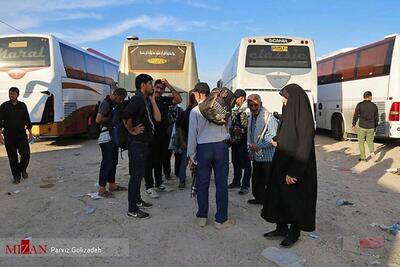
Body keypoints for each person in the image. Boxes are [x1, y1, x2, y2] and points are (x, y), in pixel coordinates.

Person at [261, 84, 317, 248]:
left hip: (295, 168)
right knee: (279, 198)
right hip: (281, 164)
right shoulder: (288, 114)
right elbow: (286, 134)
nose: (283, 101)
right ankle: (281, 228)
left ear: (294, 100)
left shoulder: (305, 119)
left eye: (285, 98)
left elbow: (304, 147)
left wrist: (294, 172)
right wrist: (277, 139)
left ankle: (294, 232)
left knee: (294, 201)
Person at [187, 82, 234, 229]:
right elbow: (228, 127)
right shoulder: (221, 108)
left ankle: (202, 216)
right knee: (221, 185)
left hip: (203, 149)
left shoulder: (195, 111)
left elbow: (192, 136)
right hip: (221, 147)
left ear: (199, 94)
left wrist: (192, 156)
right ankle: (221, 220)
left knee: (202, 184)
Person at [122, 74, 161, 219]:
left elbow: (157, 119)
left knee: (138, 176)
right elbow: (126, 115)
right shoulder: (137, 99)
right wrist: (132, 130)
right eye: (150, 83)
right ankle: (132, 209)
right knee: (136, 176)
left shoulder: (144, 100)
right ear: (143, 85)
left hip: (143, 144)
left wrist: (152, 100)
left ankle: (137, 200)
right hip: (137, 145)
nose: (153, 86)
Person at [144, 79, 182, 198]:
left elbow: (179, 99)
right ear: (153, 87)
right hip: (150, 137)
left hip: (163, 137)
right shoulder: (147, 101)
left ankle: (159, 183)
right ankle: (149, 187)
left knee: (159, 161)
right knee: (149, 162)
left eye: (161, 88)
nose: (159, 90)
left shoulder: (165, 100)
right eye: (157, 88)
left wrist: (169, 85)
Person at [95, 88, 128, 198]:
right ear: (116, 95)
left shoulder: (114, 104)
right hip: (106, 138)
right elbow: (98, 119)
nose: (121, 101)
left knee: (113, 162)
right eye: (120, 98)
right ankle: (102, 188)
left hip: (112, 138)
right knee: (107, 163)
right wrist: (113, 118)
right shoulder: (106, 103)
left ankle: (112, 185)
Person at [246, 94, 278, 204]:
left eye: (256, 105)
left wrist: (258, 146)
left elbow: (273, 138)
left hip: (268, 157)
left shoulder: (269, 118)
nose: (254, 108)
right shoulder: (251, 117)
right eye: (251, 105)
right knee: (257, 180)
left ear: (261, 104)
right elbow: (250, 135)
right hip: (257, 156)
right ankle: (260, 199)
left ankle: (270, 203)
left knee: (268, 181)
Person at [0, 87, 33, 184]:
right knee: (12, 157)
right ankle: (16, 176)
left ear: (18, 95)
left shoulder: (22, 105)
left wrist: (30, 133)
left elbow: (27, 119)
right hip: (9, 136)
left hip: (21, 135)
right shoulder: (4, 106)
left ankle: (22, 169)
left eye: (13, 94)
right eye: (10, 94)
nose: (11, 96)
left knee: (26, 154)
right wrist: (0, 135)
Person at [228, 89, 251, 195]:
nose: (235, 101)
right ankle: (236, 181)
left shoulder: (248, 110)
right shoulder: (237, 109)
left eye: (236, 98)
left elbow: (250, 127)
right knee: (235, 161)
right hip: (236, 141)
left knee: (246, 164)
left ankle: (245, 185)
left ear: (242, 97)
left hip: (245, 140)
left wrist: (241, 130)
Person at [176, 91, 197, 189]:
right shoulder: (191, 113)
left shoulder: (185, 112)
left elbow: (179, 128)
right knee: (192, 161)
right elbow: (180, 128)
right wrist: (183, 141)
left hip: (187, 140)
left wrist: (182, 141)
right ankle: (190, 180)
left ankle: (182, 181)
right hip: (193, 140)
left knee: (184, 162)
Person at [352, 91, 378, 161]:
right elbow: (376, 117)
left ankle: (363, 157)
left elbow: (356, 115)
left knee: (361, 142)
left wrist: (353, 124)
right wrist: (375, 127)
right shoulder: (374, 106)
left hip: (362, 127)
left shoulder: (360, 105)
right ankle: (372, 151)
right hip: (371, 127)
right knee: (370, 140)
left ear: (364, 97)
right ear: (370, 97)